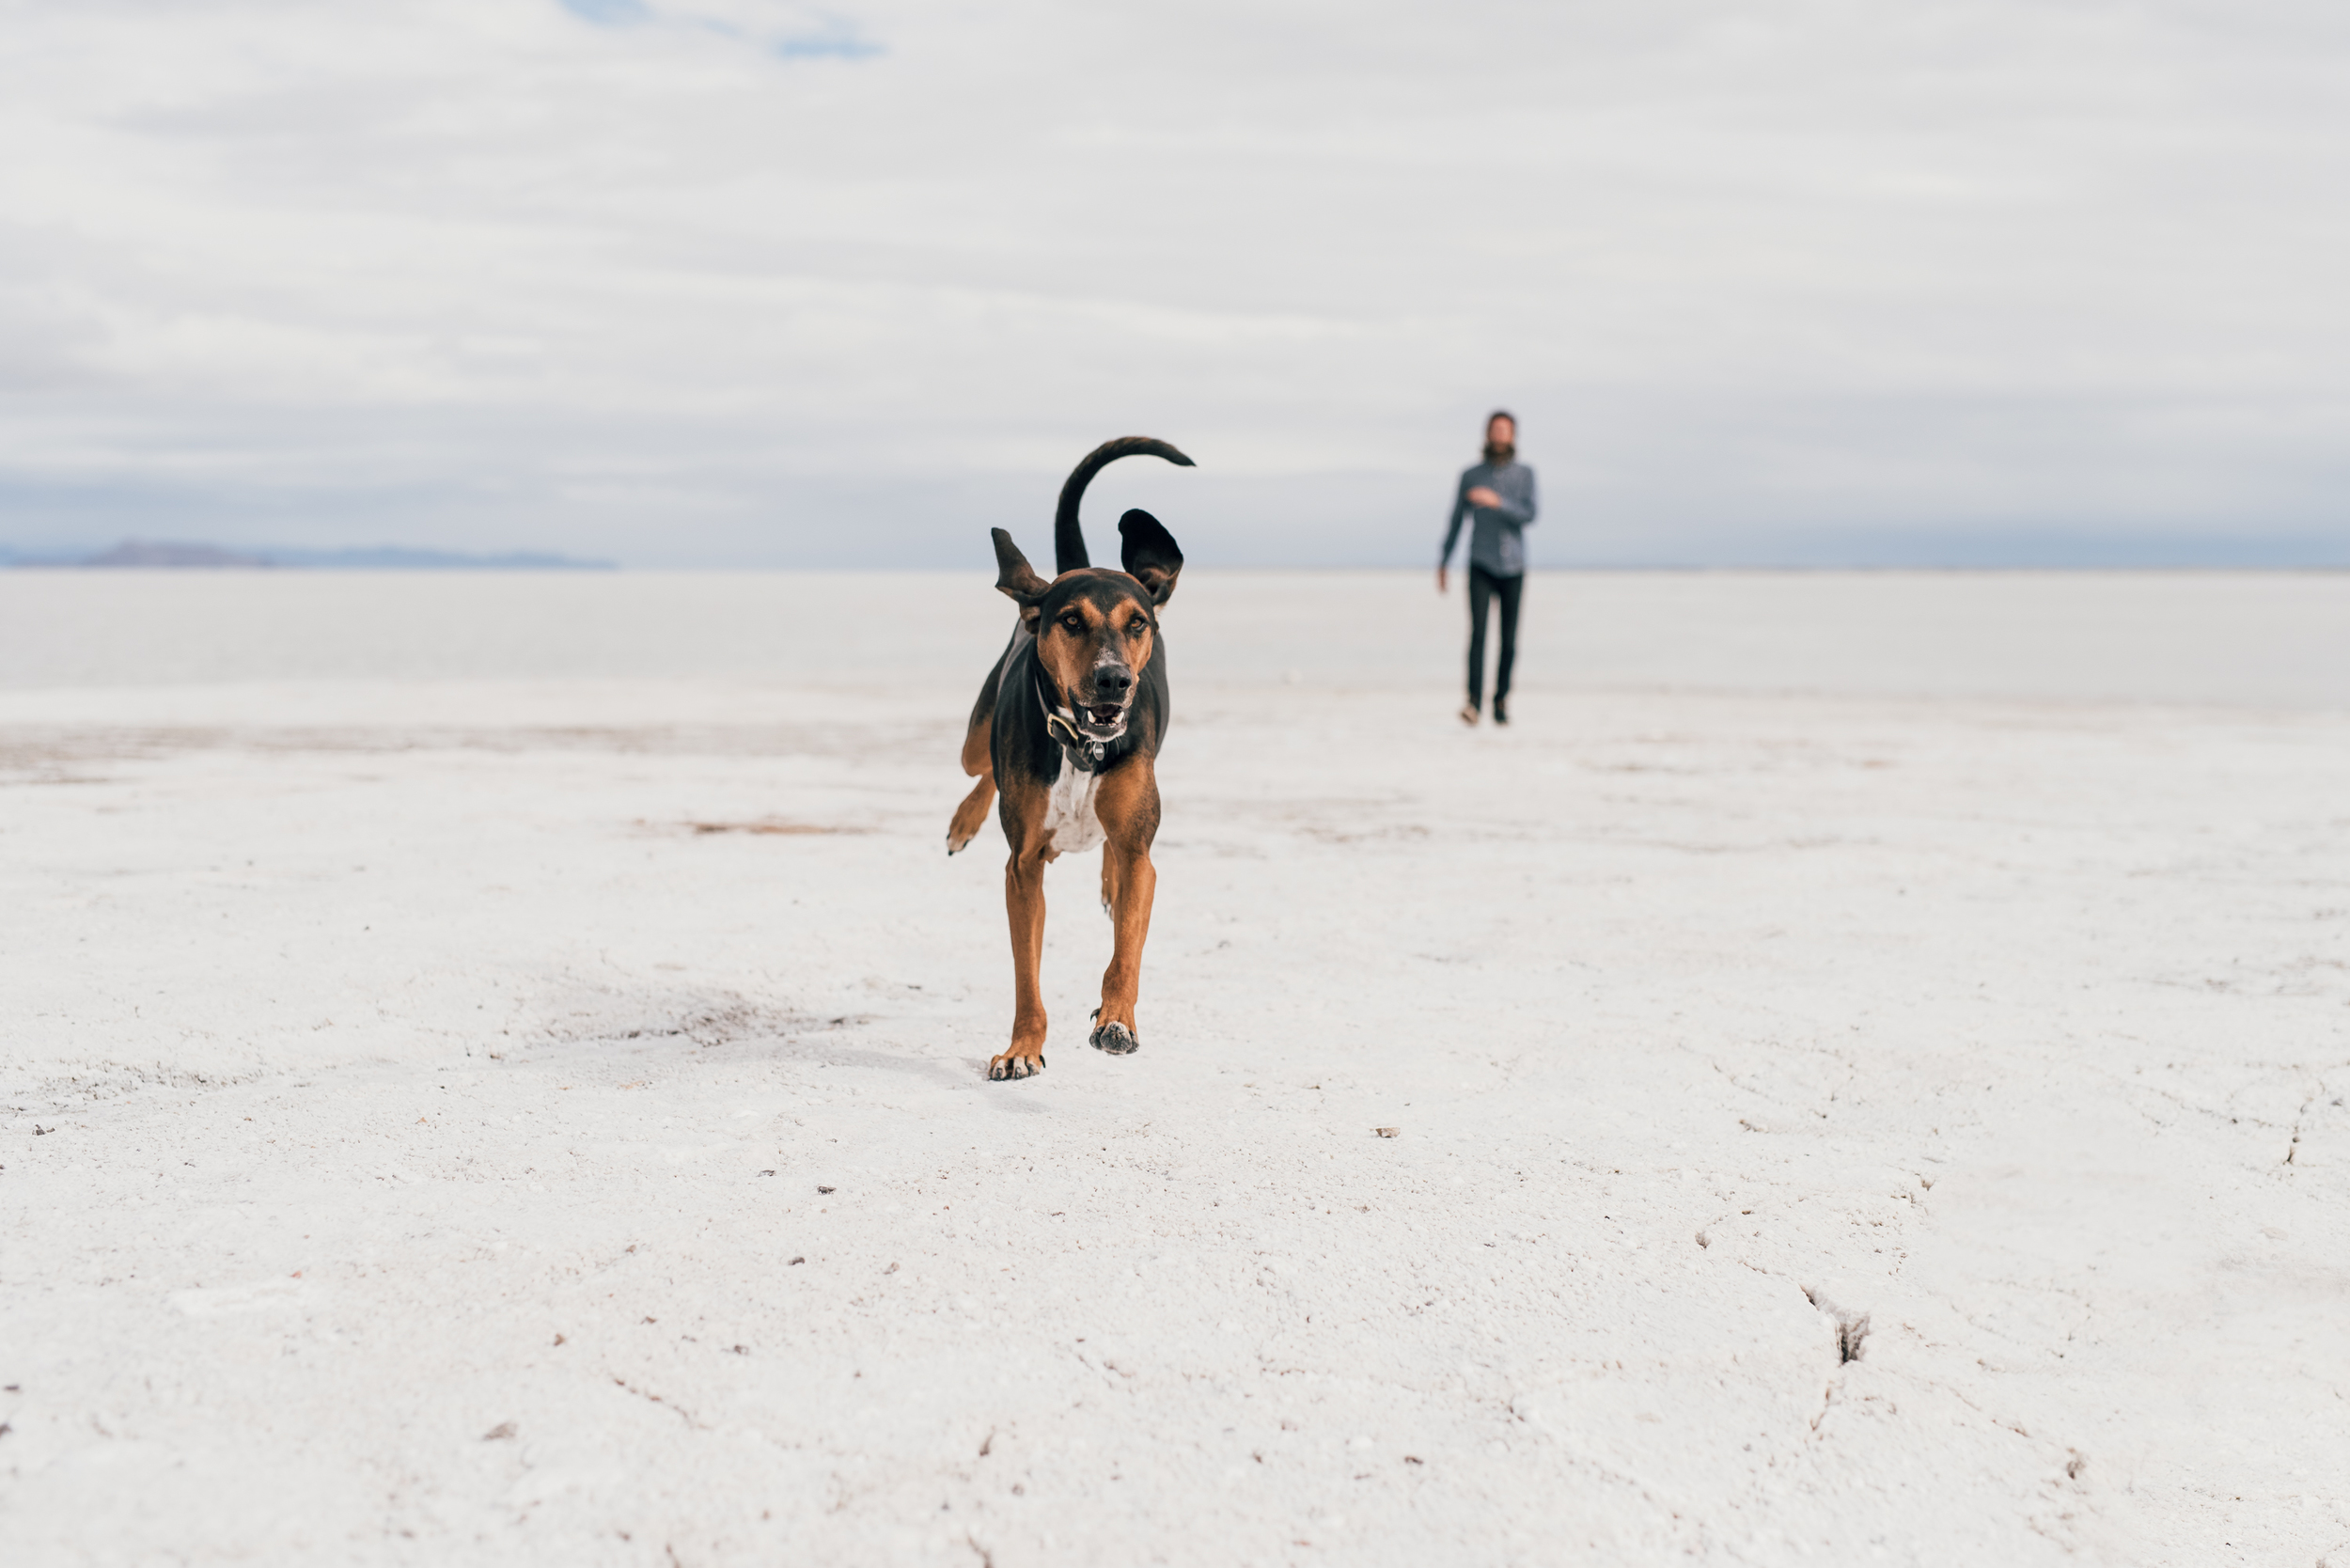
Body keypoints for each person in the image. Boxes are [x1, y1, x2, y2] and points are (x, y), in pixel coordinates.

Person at [1436, 410, 1537, 726]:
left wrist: (1498, 502)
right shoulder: (1471, 475)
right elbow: (1456, 520)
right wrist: (1444, 559)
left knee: (1508, 639)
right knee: (1478, 634)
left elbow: (1530, 514)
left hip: (1514, 565)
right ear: (1487, 434)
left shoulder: (1524, 474)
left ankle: (1502, 700)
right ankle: (1473, 703)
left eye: (1505, 430)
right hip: (1479, 562)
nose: (1499, 435)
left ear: (1513, 435)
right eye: (1495, 429)